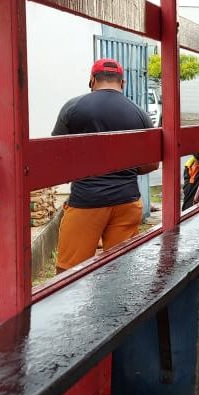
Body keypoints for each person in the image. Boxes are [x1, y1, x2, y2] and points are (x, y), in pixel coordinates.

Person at [52, 58, 158, 273]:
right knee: (119, 271)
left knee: (68, 272)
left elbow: (56, 155)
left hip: (87, 201)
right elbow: (151, 164)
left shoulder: (73, 108)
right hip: (127, 201)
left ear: (92, 80)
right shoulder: (139, 113)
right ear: (123, 82)